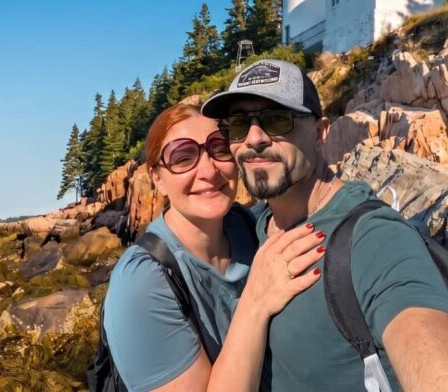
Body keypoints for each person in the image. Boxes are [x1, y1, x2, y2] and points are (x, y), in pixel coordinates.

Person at [201, 59, 448, 392]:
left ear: (321, 132)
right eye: (238, 125)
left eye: (277, 120)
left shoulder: (375, 238)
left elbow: (427, 335)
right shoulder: (256, 225)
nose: (254, 138)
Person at [103, 103, 326, 392]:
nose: (209, 170)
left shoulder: (250, 226)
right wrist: (255, 302)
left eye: (219, 147)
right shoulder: (142, 284)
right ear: (157, 177)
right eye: (182, 157)